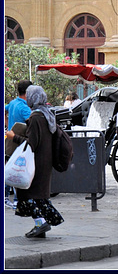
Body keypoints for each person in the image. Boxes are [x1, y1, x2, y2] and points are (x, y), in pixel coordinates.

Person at [5, 85, 64, 238]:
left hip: (35, 162)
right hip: (46, 161)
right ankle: (43, 224)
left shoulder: (36, 117)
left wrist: (13, 137)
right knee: (39, 195)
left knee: (25, 192)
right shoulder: (48, 114)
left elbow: (32, 143)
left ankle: (40, 222)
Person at [5, 80, 33, 210]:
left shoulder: (13, 103)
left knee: (10, 168)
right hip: (19, 142)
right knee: (18, 170)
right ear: (28, 92)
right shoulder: (24, 108)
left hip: (10, 140)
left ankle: (6, 198)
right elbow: (32, 124)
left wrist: (7, 124)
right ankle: (17, 199)